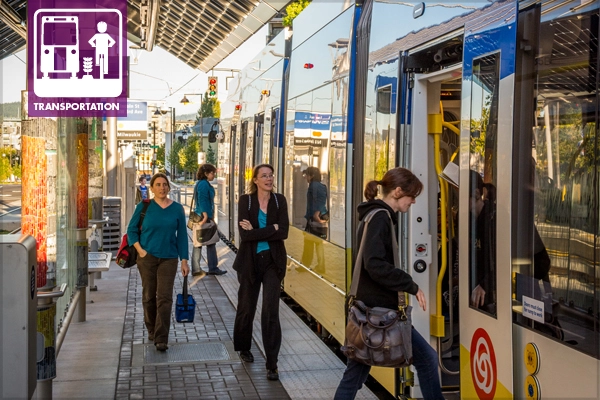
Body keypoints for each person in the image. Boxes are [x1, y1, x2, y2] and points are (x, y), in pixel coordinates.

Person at [334, 167, 444, 400]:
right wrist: (409, 284)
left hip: (369, 312)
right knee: (427, 359)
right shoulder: (380, 218)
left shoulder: (373, 215)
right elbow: (374, 264)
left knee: (355, 373)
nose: (413, 201)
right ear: (397, 192)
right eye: (411, 195)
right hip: (379, 314)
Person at [232, 164, 289, 381]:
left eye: (271, 175)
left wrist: (258, 231)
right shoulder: (245, 201)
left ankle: (272, 363)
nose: (269, 178)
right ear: (255, 180)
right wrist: (270, 229)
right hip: (249, 262)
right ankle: (244, 347)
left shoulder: (279, 200)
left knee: (270, 311)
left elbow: (284, 232)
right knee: (246, 307)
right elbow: (245, 237)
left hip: (273, 263)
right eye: (264, 176)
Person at [126, 173, 190, 352]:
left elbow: (182, 237)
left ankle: (161, 337)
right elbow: (131, 231)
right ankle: (151, 328)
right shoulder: (144, 207)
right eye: (158, 185)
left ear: (168, 188)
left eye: (165, 185)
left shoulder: (177, 209)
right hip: (147, 258)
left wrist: (184, 260)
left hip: (169, 258)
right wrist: (141, 251)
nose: (162, 188)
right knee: (148, 296)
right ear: (152, 188)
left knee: (164, 297)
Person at [469, 170, 496, 313]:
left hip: (486, 292)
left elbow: (499, 259)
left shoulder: (492, 219)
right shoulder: (471, 220)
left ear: (476, 194)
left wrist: (484, 284)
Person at [191, 164, 226, 276]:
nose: (214, 175)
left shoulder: (201, 183)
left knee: (202, 242)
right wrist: (206, 216)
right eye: (212, 173)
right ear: (206, 173)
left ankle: (205, 267)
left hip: (201, 215)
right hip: (203, 217)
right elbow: (203, 200)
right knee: (205, 242)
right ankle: (207, 268)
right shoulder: (203, 185)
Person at [301, 167, 328, 272]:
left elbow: (319, 200)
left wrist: (317, 213)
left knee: (310, 242)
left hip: (314, 219)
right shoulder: (322, 186)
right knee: (318, 242)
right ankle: (320, 266)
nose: (306, 177)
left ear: (311, 176)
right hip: (318, 218)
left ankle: (306, 265)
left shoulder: (313, 186)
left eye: (307, 175)